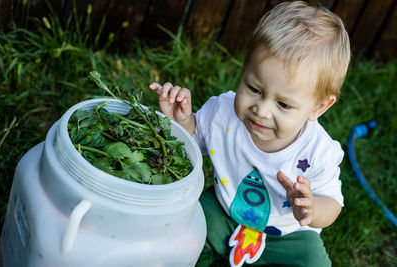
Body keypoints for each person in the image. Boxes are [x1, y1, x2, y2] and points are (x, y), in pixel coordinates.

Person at [149, 1, 351, 266]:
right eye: (254, 89)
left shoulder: (318, 152)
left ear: (319, 106)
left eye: (283, 104)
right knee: (192, 223)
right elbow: (193, 142)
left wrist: (312, 208)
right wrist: (183, 121)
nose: (262, 110)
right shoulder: (222, 114)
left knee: (315, 261)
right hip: (225, 211)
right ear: (244, 70)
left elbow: (333, 203)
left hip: (287, 235)